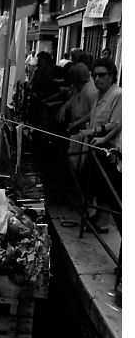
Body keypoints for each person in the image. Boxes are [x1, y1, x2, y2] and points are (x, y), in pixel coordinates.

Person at [69, 58, 122, 232]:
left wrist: (98, 134)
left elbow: (116, 124)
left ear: (111, 76)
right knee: (93, 185)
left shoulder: (118, 94)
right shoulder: (100, 94)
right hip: (95, 144)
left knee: (105, 187)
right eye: (95, 75)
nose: (97, 79)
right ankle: (97, 217)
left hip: (108, 148)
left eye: (102, 75)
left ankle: (103, 222)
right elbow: (93, 116)